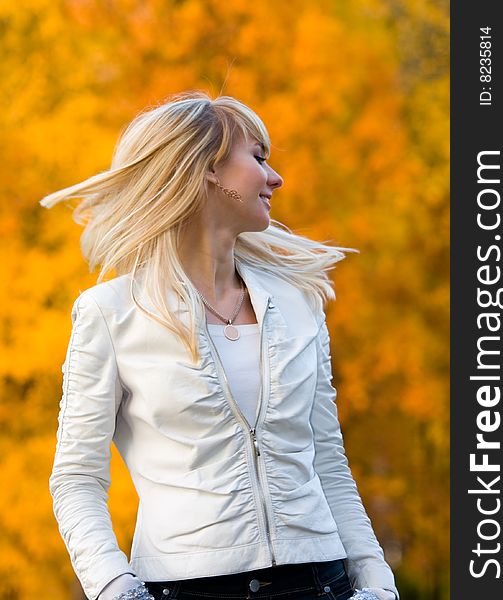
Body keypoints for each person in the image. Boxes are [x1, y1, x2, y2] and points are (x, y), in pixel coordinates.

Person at [40, 91, 399, 600]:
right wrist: (115, 588)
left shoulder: (300, 303)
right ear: (208, 167)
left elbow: (326, 462)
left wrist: (377, 581)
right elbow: (76, 477)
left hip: (322, 581)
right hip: (189, 587)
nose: (275, 178)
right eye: (258, 157)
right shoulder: (110, 312)